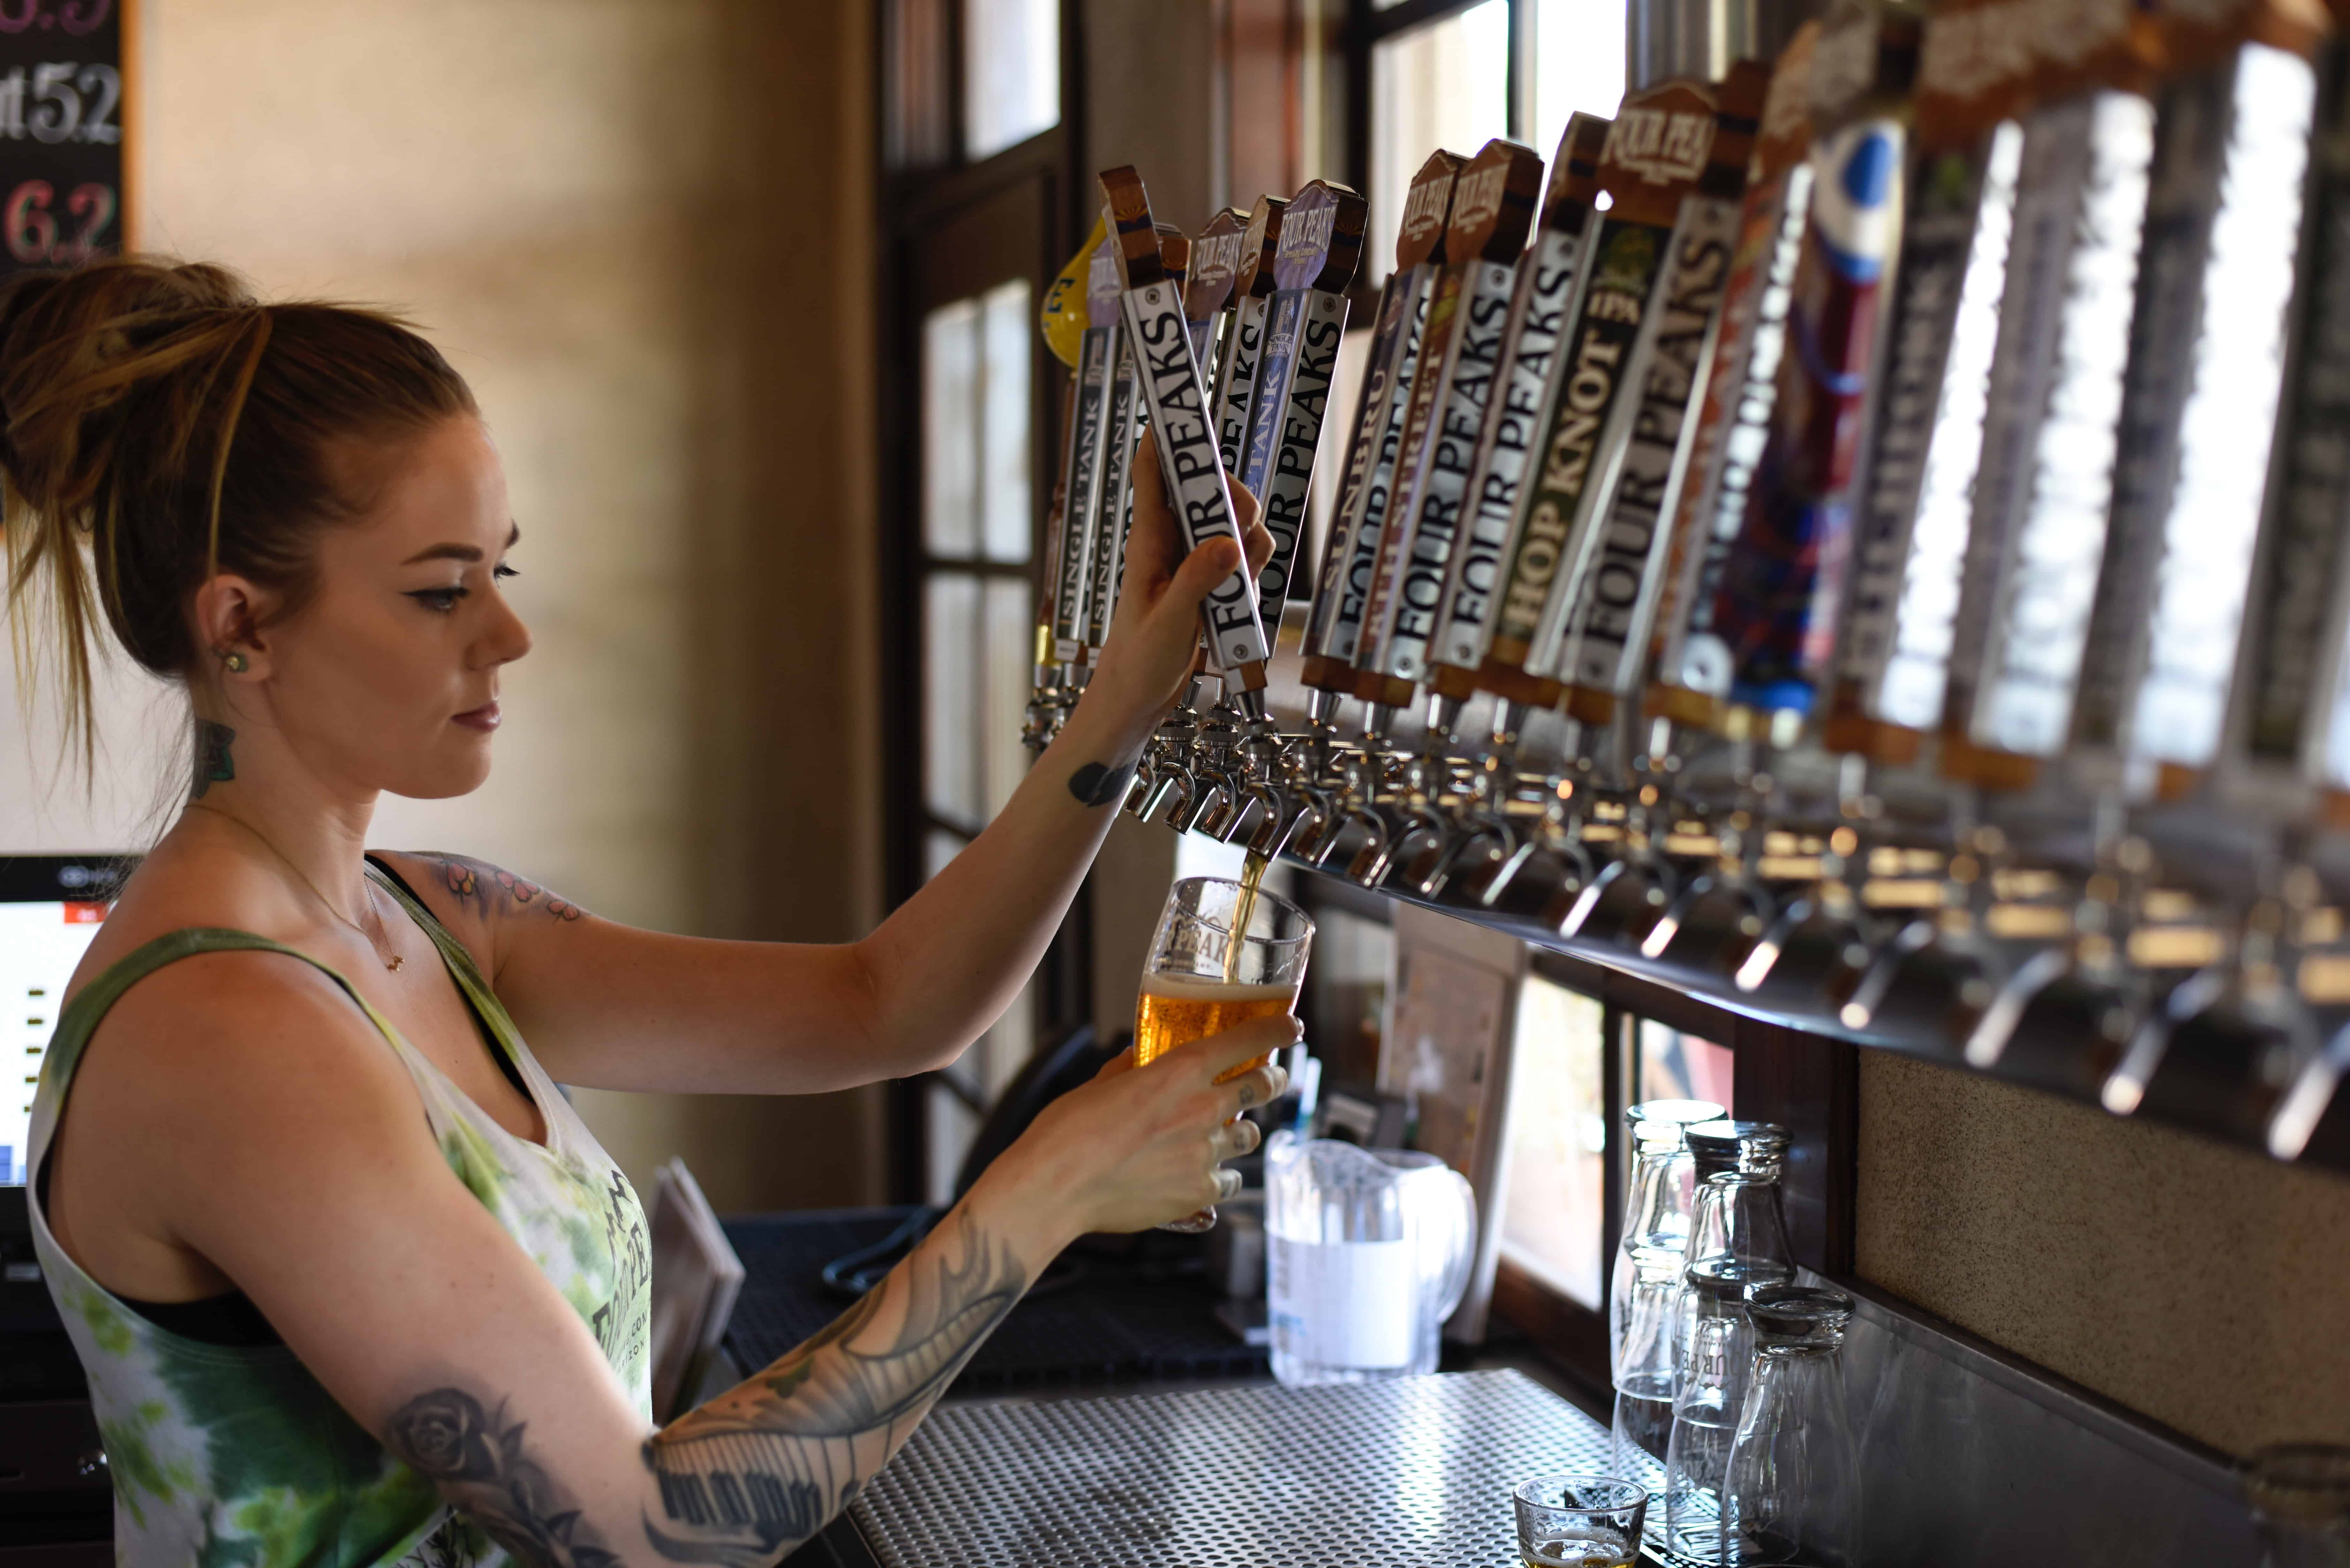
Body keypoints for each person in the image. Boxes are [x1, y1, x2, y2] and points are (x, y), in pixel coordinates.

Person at [5, 256, 1290, 1567]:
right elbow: (642, 1533)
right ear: (244, 626)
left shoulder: (434, 919)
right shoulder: (225, 1030)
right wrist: (1048, 1190)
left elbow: (885, 1005)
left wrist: (1124, 700)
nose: (507, 633)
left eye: (502, 569)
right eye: (443, 588)